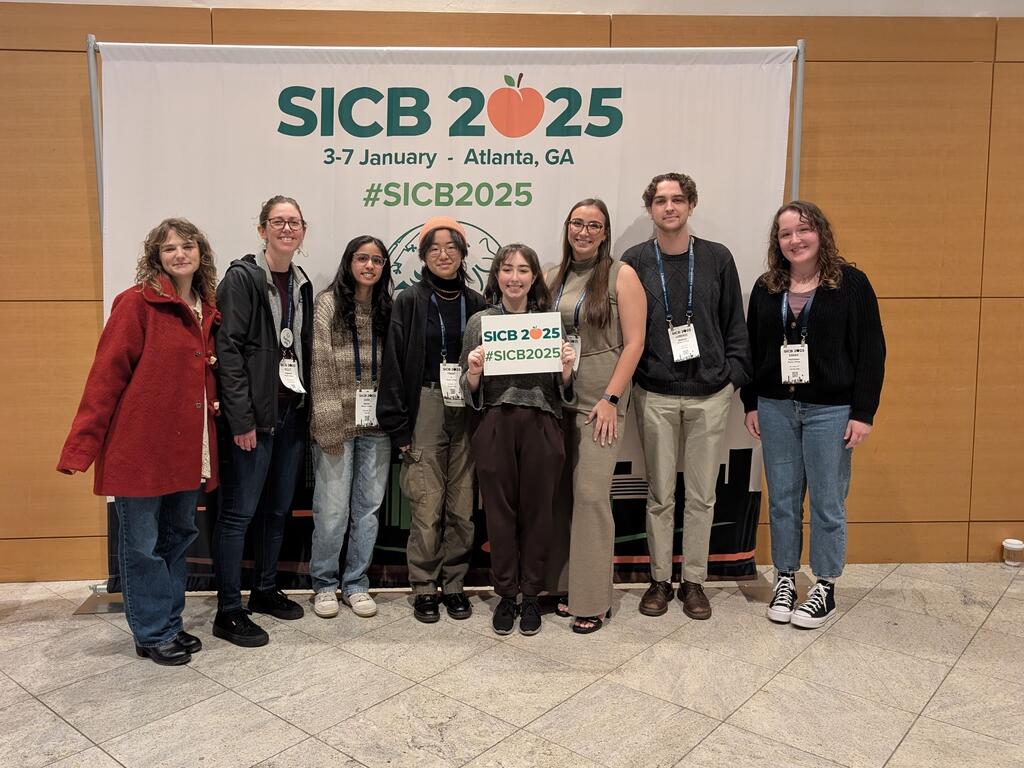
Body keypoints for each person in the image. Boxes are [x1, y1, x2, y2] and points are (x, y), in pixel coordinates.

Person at [57, 218, 219, 665]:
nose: (180, 254)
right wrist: (81, 447)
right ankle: (150, 632)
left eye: (187, 246)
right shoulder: (135, 304)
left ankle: (168, 622)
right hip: (141, 450)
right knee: (142, 545)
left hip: (187, 449)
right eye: (169, 249)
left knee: (179, 535)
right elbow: (105, 378)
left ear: (200, 253)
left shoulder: (207, 307)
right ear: (156, 257)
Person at [742, 200, 885, 628]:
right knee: (783, 500)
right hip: (775, 407)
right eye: (785, 234)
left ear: (820, 233)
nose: (795, 240)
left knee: (826, 502)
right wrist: (751, 401)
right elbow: (750, 350)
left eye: (803, 230)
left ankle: (825, 585)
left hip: (831, 410)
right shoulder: (767, 287)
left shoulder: (851, 284)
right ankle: (785, 577)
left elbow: (871, 352)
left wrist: (863, 412)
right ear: (777, 242)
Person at [622, 172, 751, 621]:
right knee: (660, 494)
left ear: (691, 205)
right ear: (650, 209)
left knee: (701, 496)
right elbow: (622, 329)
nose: (669, 207)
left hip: (710, 394)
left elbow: (736, 323)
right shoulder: (634, 260)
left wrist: (732, 378)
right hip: (654, 392)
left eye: (678, 199)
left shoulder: (716, 258)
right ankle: (660, 580)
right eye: (660, 200)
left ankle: (694, 581)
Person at [212, 195, 313, 647]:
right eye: (278, 221)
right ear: (262, 230)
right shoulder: (242, 278)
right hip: (253, 419)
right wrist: (240, 420)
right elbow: (228, 351)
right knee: (238, 515)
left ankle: (265, 591)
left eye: (294, 222)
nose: (286, 228)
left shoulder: (302, 282)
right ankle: (227, 610)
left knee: (276, 511)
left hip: (290, 415)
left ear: (303, 232)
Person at [377, 216, 488, 623]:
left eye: (452, 248)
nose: (444, 255)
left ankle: (454, 582)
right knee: (427, 503)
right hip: (424, 403)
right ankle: (424, 585)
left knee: (461, 504)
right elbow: (392, 365)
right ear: (423, 256)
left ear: (462, 255)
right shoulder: (409, 301)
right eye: (435, 248)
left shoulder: (477, 303)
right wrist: (399, 426)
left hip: (468, 405)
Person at [462, 244, 576, 635]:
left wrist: (565, 370)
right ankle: (506, 595)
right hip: (494, 421)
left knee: (539, 513)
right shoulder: (480, 322)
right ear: (496, 276)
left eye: (523, 270)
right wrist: (474, 371)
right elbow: (466, 387)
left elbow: (563, 390)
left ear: (533, 278)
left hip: (542, 421)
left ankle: (531, 595)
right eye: (507, 269)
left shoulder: (550, 322)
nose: (515, 277)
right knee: (499, 513)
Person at [545, 199, 646, 634]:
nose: (584, 232)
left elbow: (636, 343)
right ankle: (564, 588)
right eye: (577, 223)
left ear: (605, 233)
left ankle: (592, 600)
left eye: (594, 225)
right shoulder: (553, 276)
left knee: (589, 497)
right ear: (567, 227)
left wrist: (610, 397)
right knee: (560, 499)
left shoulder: (622, 275)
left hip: (599, 405)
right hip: (556, 400)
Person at [309, 235, 394, 619]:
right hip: (336, 422)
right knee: (331, 510)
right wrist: (328, 423)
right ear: (349, 262)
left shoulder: (388, 308)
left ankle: (356, 582)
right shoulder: (328, 304)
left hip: (377, 424)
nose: (369, 266)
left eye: (377, 260)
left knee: (368, 509)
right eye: (363, 258)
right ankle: (325, 584)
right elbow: (320, 366)